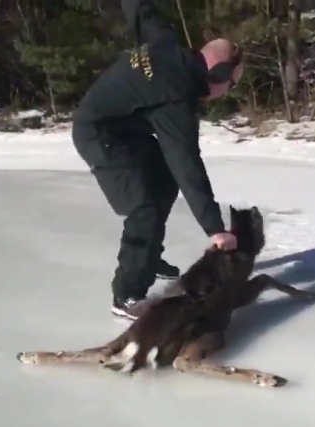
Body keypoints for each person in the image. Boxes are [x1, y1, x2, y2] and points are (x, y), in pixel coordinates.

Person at [71, 0, 243, 319]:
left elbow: (142, 11)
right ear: (218, 73)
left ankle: (148, 256)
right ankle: (127, 295)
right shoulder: (176, 99)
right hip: (98, 134)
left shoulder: (165, 42)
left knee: (163, 178)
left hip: (123, 128)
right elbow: (187, 165)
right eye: (231, 84)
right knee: (143, 209)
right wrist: (215, 228)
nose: (228, 92)